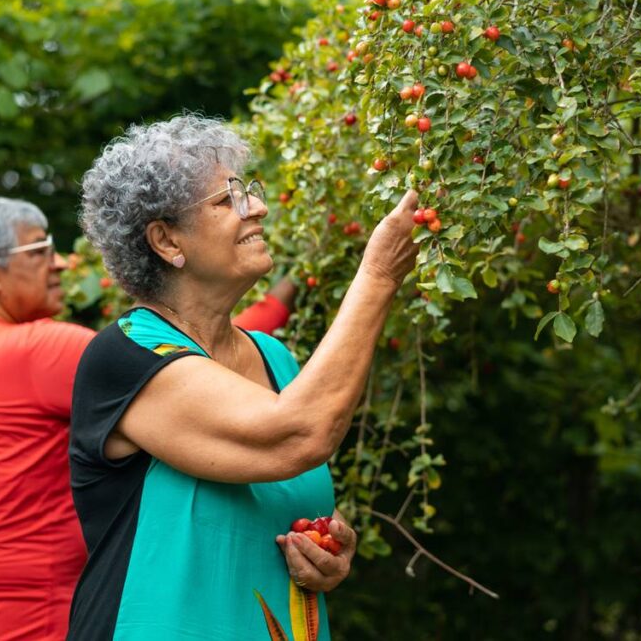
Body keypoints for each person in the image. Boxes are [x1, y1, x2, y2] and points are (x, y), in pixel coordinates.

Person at [0, 197, 318, 640]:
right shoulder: (37, 350)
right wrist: (280, 298)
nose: (61, 263)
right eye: (40, 249)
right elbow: (186, 369)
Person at [68, 115, 418, 640]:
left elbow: (293, 495)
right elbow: (300, 435)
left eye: (248, 190)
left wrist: (330, 548)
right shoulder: (125, 357)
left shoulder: (275, 357)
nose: (257, 206)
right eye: (227, 198)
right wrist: (378, 276)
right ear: (166, 240)